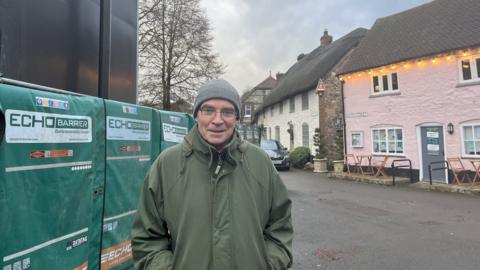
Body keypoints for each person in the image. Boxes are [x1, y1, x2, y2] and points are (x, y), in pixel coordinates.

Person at [131, 79, 293, 270]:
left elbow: (280, 229)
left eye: (227, 111)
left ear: (237, 118)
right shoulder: (167, 165)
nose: (217, 120)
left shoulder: (261, 164)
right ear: (197, 115)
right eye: (208, 110)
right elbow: (147, 240)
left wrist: (268, 264)